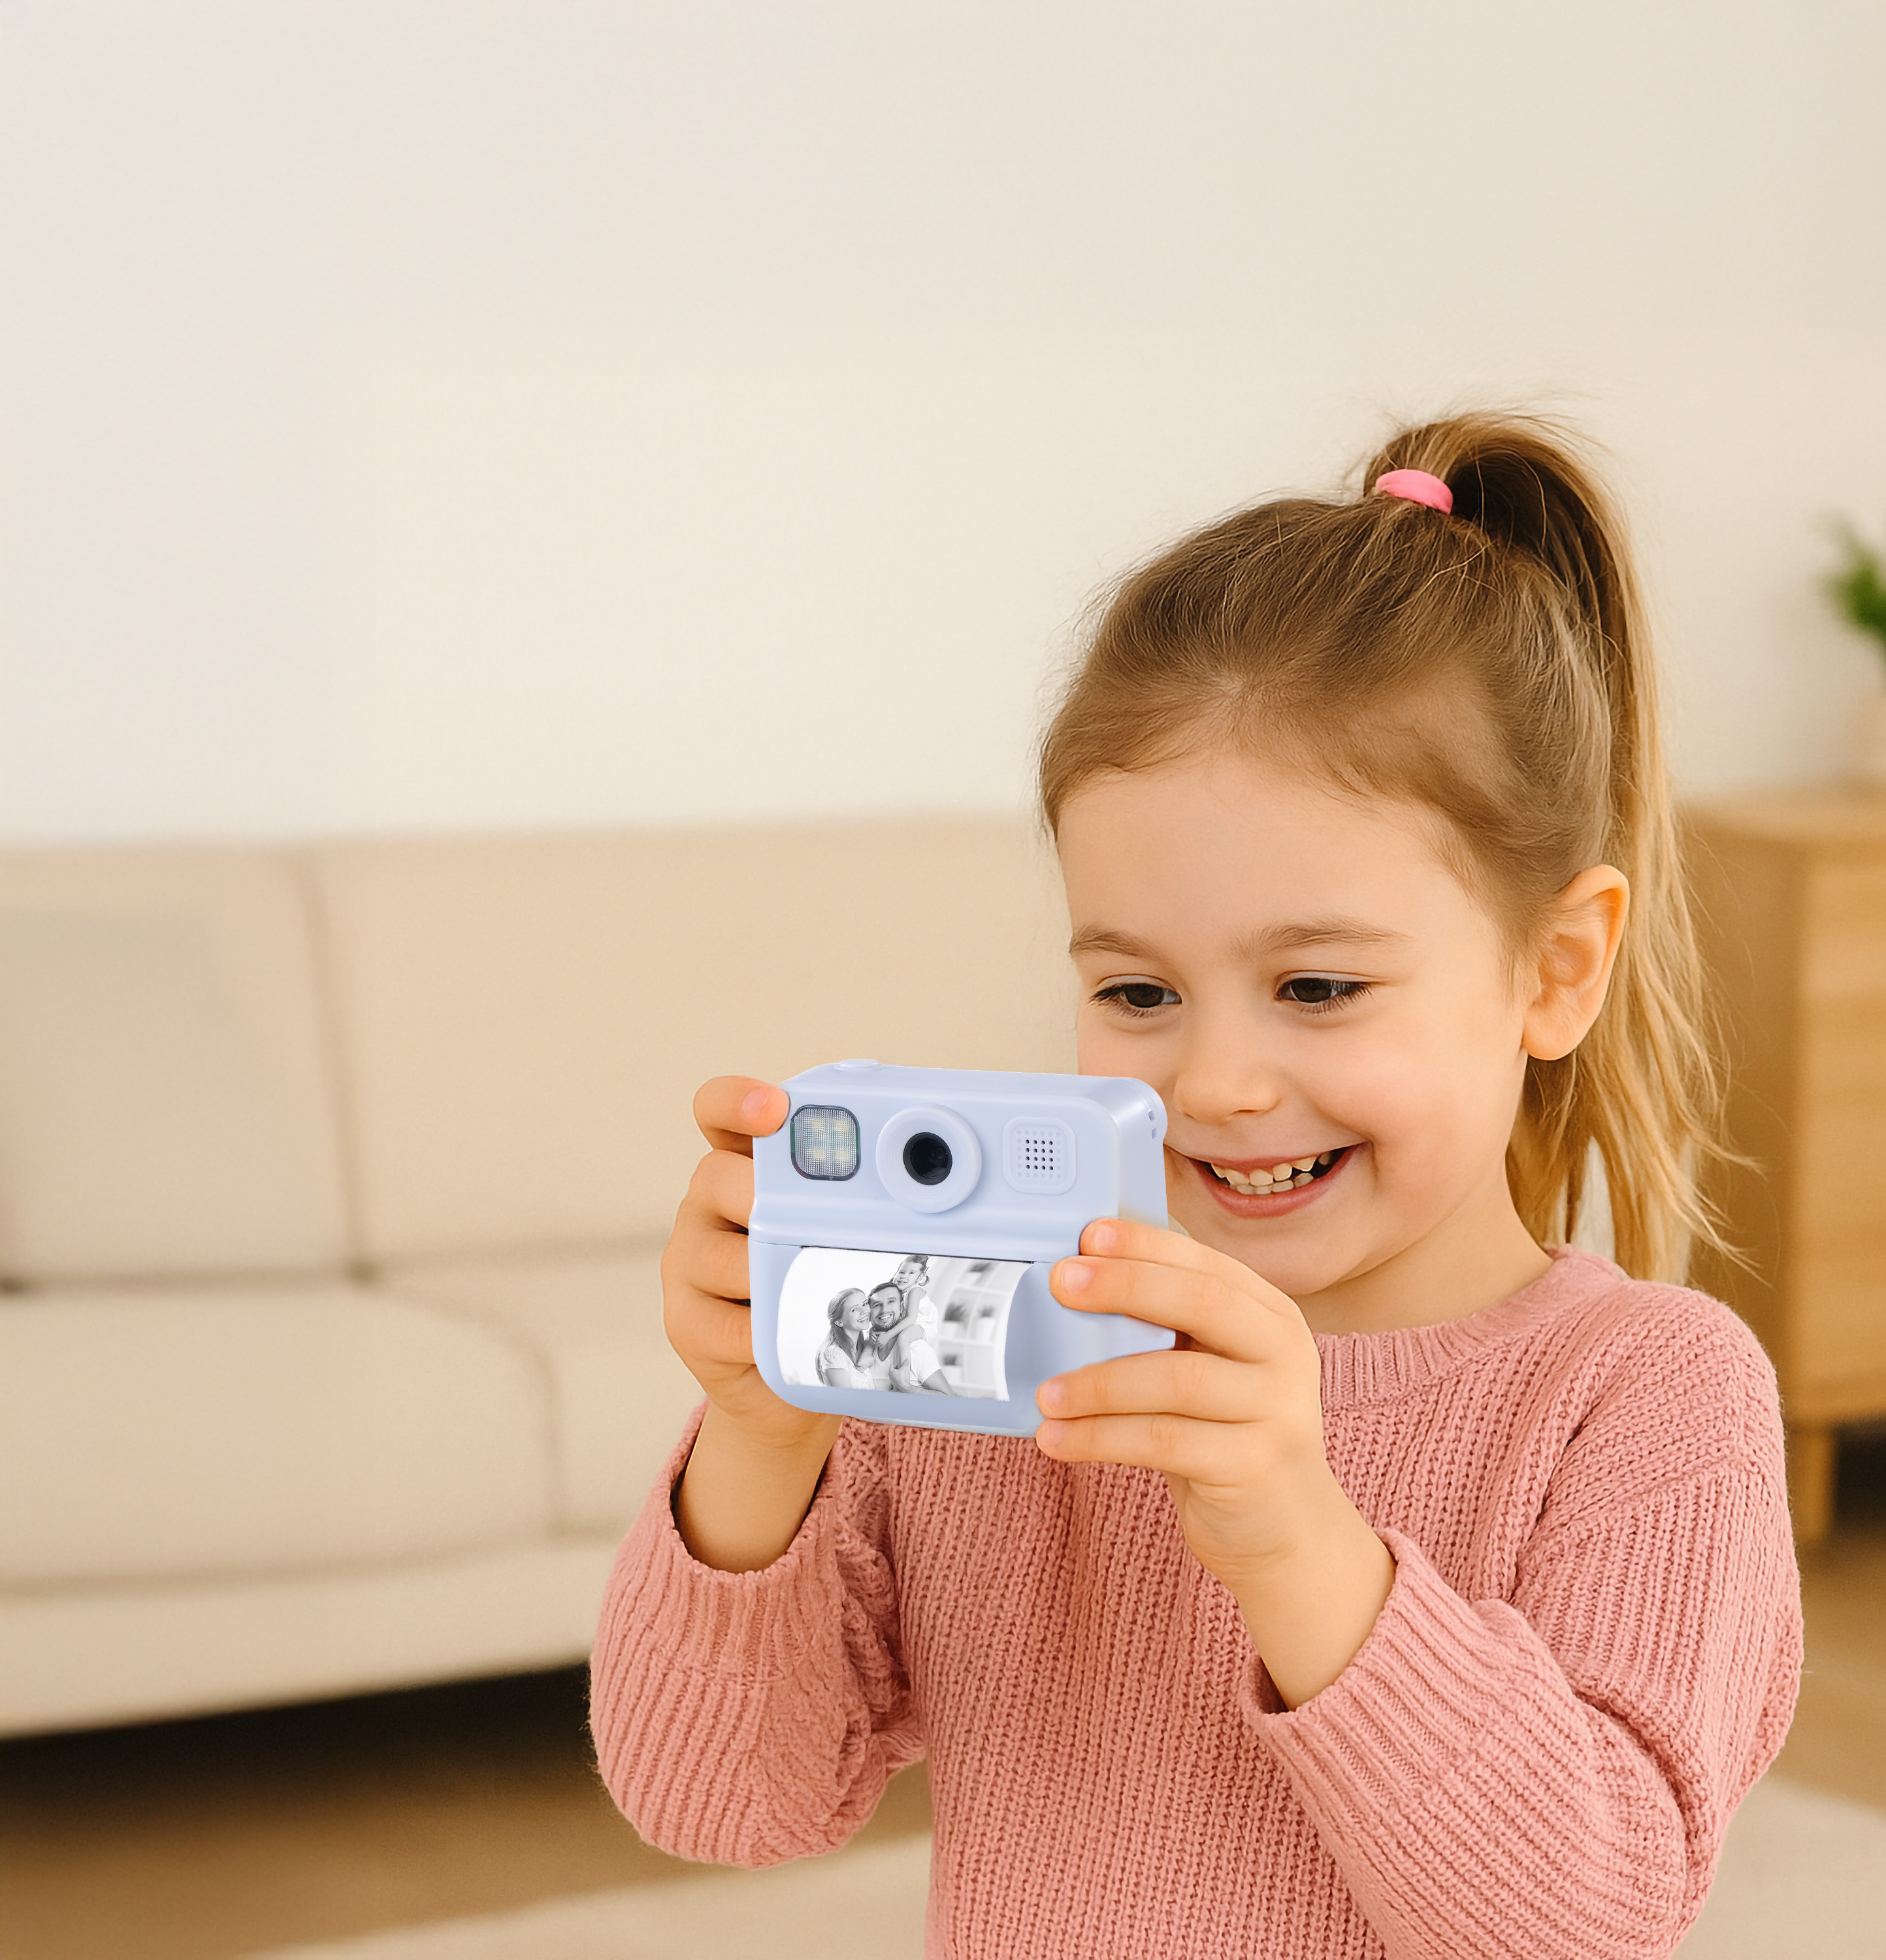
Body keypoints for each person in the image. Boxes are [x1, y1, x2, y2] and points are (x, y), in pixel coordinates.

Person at [593, 414, 1803, 1959]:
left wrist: (1297, 1543)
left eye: (1316, 987)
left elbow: (1586, 1917)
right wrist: (760, 1440)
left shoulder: (1646, 1394)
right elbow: (717, 1802)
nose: (1215, 1081)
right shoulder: (1003, 1348)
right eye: (1138, 992)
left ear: (1556, 969)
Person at [864, 1279, 954, 1395]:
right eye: (877, 1305)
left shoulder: (916, 1348)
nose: (884, 1310)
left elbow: (948, 1398)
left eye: (891, 1301)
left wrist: (905, 1386)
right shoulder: (867, 1351)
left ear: (902, 1309)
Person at [813, 1286, 882, 1390]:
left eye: (865, 1304)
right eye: (854, 1309)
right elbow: (847, 1398)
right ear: (839, 1322)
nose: (864, 1311)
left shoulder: (860, 1349)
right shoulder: (833, 1353)